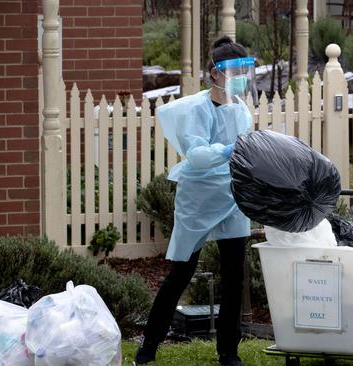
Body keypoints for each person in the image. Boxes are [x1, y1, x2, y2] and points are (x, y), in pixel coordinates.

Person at [135, 36, 256, 366]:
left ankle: (228, 352)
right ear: (214, 73)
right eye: (233, 71)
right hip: (198, 198)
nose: (239, 78)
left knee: (235, 278)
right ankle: (147, 348)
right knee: (180, 273)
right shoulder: (196, 109)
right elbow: (198, 156)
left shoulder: (241, 109)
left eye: (244, 70)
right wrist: (227, 150)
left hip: (232, 197)